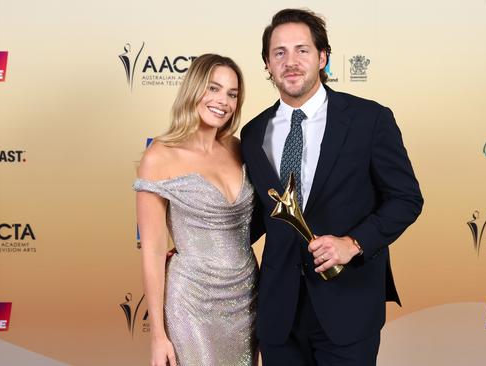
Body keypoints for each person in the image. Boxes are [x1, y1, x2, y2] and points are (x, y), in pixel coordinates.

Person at [240, 9, 423, 365]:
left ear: (323, 57)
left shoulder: (370, 119)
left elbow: (406, 198)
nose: (290, 62)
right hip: (279, 314)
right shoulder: (252, 133)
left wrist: (353, 243)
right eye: (279, 53)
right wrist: (198, 249)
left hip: (348, 306)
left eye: (302, 50)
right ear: (267, 64)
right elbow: (262, 214)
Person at [134, 53, 257, 366]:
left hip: (248, 296)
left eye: (232, 94)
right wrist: (158, 336)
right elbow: (152, 250)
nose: (223, 101)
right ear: (194, 89)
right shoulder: (160, 156)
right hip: (192, 302)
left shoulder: (239, 147)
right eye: (213, 89)